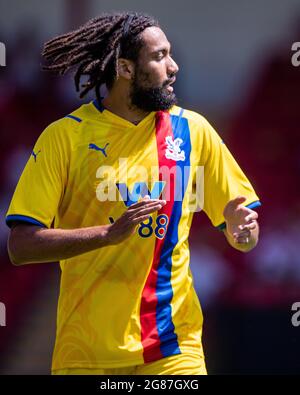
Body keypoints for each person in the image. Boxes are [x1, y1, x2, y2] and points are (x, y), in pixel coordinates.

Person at [5, 12, 260, 375]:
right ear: (124, 68)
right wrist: (109, 235)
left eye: (171, 55)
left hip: (173, 347)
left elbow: (245, 235)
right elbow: (21, 245)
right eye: (159, 57)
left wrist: (243, 232)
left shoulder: (194, 131)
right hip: (88, 353)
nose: (173, 67)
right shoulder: (65, 138)